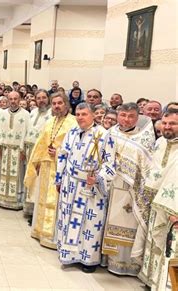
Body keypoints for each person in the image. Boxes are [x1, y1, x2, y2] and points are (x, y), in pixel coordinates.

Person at [55, 103, 116, 273]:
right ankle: (68, 254)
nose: (80, 117)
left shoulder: (104, 135)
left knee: (89, 223)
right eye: (78, 114)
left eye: (84, 114)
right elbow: (63, 156)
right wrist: (59, 179)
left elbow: (110, 164)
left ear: (92, 116)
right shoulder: (72, 132)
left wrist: (97, 178)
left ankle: (88, 259)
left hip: (91, 187)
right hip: (70, 183)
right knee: (69, 220)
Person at [102, 103, 155, 276]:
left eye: (130, 116)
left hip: (130, 191)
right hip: (109, 186)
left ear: (137, 117)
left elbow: (145, 168)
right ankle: (105, 259)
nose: (126, 119)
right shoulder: (110, 133)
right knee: (105, 222)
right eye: (123, 115)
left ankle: (124, 264)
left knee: (125, 223)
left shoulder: (143, 139)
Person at [24, 93, 77, 248]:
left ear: (66, 105)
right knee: (43, 199)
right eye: (54, 103)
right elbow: (41, 142)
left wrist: (60, 152)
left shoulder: (73, 123)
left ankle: (53, 236)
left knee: (56, 201)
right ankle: (40, 231)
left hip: (62, 168)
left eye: (60, 103)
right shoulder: (50, 121)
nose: (56, 106)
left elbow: (77, 146)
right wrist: (37, 161)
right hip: (47, 166)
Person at [139, 109, 178, 290]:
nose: (167, 127)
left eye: (173, 123)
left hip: (171, 207)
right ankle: (152, 280)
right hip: (154, 202)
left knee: (168, 248)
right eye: (165, 123)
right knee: (153, 243)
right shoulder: (160, 142)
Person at [0, 90, 30, 210]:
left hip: (18, 151)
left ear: (20, 100)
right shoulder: (3, 114)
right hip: (4, 149)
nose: (13, 101)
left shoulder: (26, 115)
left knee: (17, 175)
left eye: (15, 99)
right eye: (11, 99)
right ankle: (1, 198)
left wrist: (24, 151)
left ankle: (16, 201)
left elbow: (27, 133)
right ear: (8, 100)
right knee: (2, 173)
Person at [24, 89, 52, 219]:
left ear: (48, 98)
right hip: (30, 149)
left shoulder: (52, 114)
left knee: (39, 181)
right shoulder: (32, 112)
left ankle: (37, 212)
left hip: (42, 152)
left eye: (44, 98)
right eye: (39, 98)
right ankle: (29, 209)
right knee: (30, 178)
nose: (41, 100)